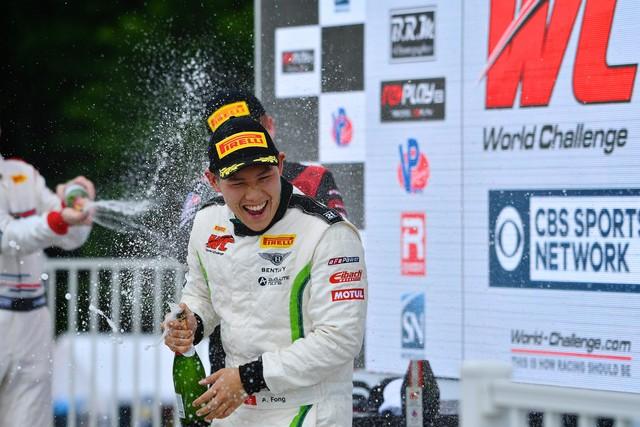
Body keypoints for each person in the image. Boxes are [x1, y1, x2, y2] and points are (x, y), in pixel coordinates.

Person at [164, 117, 367, 426]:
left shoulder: (329, 233)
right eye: (238, 183)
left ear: (280, 165)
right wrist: (192, 322)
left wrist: (248, 378)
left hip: (309, 409)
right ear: (213, 181)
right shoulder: (207, 221)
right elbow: (201, 294)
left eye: (264, 177)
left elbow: (341, 338)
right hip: (235, 407)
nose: (254, 195)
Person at [178, 89, 350, 377]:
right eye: (226, 133)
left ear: (269, 125)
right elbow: (191, 255)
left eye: (248, 126)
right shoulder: (208, 187)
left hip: (301, 347)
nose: (239, 136)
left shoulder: (312, 177)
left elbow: (340, 247)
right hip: (231, 349)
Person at [0, 125, 95, 426]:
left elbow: (71, 237)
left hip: (33, 322)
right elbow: (9, 236)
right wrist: (59, 218)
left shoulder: (23, 174)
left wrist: (79, 205)